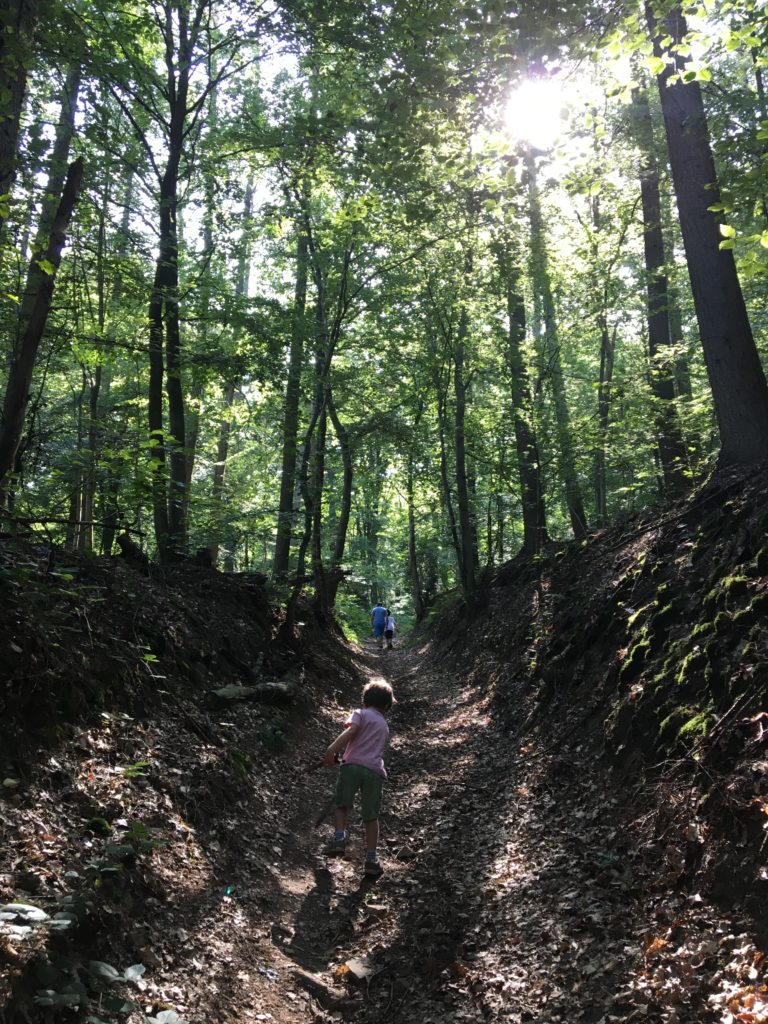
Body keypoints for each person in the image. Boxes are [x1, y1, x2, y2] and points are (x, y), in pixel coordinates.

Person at [322, 678, 395, 878]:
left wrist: (332, 750)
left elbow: (352, 731)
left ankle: (339, 838)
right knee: (371, 816)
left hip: (352, 766)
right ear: (387, 705)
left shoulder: (360, 714)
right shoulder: (384, 725)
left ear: (365, 700)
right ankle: (371, 858)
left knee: (342, 804)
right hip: (374, 772)